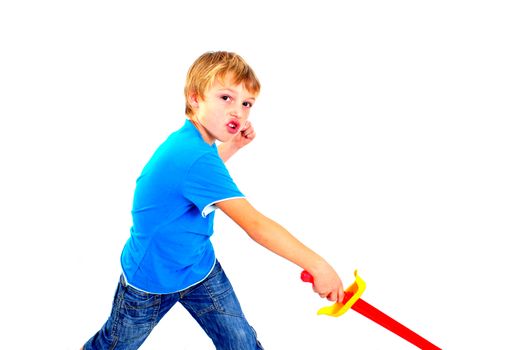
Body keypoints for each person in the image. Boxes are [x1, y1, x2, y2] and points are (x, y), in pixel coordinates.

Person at [82, 51, 345, 350]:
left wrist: (231, 147)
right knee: (113, 346)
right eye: (226, 98)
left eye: (246, 104)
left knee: (241, 343)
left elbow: (193, 185)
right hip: (150, 280)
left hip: (198, 268)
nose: (238, 111)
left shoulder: (193, 143)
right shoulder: (194, 157)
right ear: (195, 99)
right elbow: (256, 225)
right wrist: (318, 265)